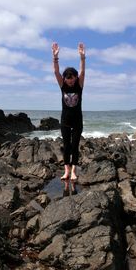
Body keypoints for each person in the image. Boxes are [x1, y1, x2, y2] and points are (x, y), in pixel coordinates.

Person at [52, 42, 86, 180]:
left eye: (72, 79)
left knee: (75, 146)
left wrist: (82, 58)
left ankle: (74, 171)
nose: (70, 82)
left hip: (77, 121)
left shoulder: (79, 86)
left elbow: (83, 72)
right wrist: (55, 57)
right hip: (65, 121)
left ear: (76, 78)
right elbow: (56, 72)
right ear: (65, 79)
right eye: (68, 79)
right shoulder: (62, 86)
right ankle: (66, 170)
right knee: (66, 146)